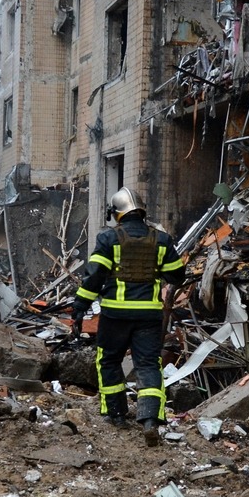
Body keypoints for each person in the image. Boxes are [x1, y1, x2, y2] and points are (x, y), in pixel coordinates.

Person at [72, 187, 185, 447]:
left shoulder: (108, 238)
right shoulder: (162, 240)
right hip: (149, 316)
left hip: (115, 315)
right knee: (148, 365)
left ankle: (116, 414)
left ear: (117, 213)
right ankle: (150, 419)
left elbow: (94, 276)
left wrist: (79, 307)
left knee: (109, 361)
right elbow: (177, 275)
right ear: (142, 211)